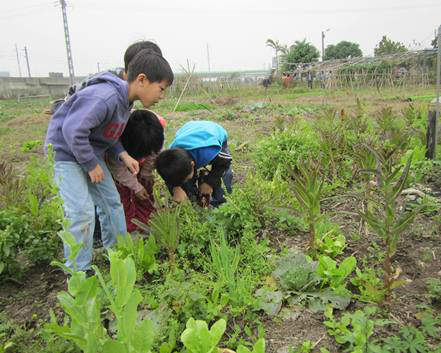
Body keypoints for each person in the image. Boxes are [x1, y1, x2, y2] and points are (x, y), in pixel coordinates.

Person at [45, 48, 174, 272]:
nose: (161, 96)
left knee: (111, 202)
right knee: (82, 212)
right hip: (67, 153)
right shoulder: (105, 97)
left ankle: (118, 255)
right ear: (142, 80)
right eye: (161, 89)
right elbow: (73, 130)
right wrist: (91, 164)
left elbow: (104, 132)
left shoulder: (126, 102)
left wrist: (122, 154)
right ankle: (78, 271)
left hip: (89, 152)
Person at [106, 109, 166, 232]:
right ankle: (128, 225)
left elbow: (155, 152)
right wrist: (135, 186)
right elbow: (118, 168)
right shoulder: (115, 136)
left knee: (146, 188)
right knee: (123, 193)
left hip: (137, 154)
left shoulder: (156, 129)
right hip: (120, 161)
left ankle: (146, 220)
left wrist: (147, 172)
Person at [155, 121, 233, 207]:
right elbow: (170, 177)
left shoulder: (209, 151)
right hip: (189, 132)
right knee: (184, 183)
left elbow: (225, 162)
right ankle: (194, 199)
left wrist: (209, 182)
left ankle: (221, 203)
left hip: (212, 134)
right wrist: (175, 188)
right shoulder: (170, 158)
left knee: (225, 175)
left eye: (185, 178)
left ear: (192, 165)